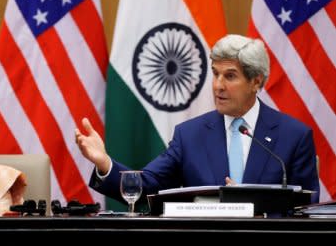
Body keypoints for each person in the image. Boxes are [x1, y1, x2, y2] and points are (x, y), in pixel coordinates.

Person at [75, 34, 320, 204]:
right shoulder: (190, 135)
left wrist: (253, 202)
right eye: (215, 74)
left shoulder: (293, 137)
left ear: (256, 81)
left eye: (230, 76)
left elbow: (305, 208)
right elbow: (145, 186)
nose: (218, 86)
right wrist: (105, 164)